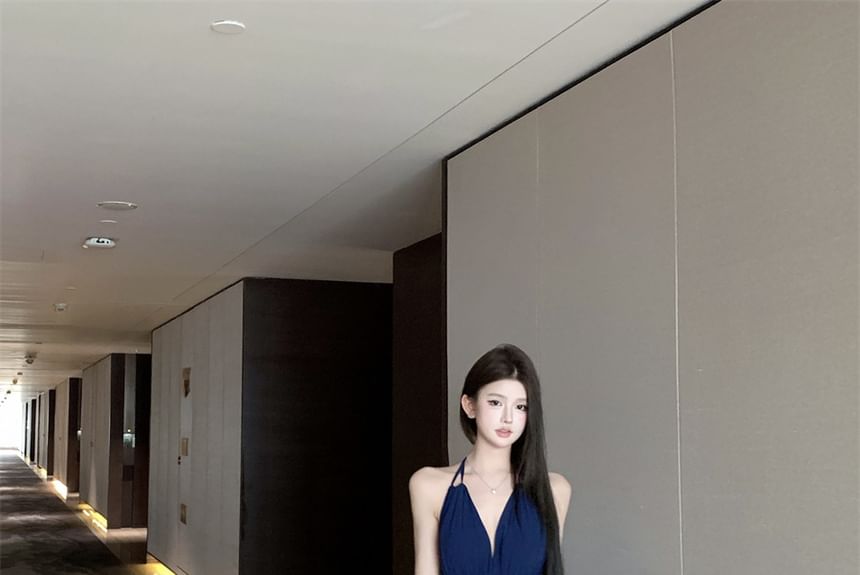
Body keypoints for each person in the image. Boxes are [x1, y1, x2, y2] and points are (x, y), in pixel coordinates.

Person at [409, 343, 571, 575]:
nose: (508, 418)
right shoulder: (429, 486)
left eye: (521, 406)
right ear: (469, 406)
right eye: (496, 402)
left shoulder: (554, 490)